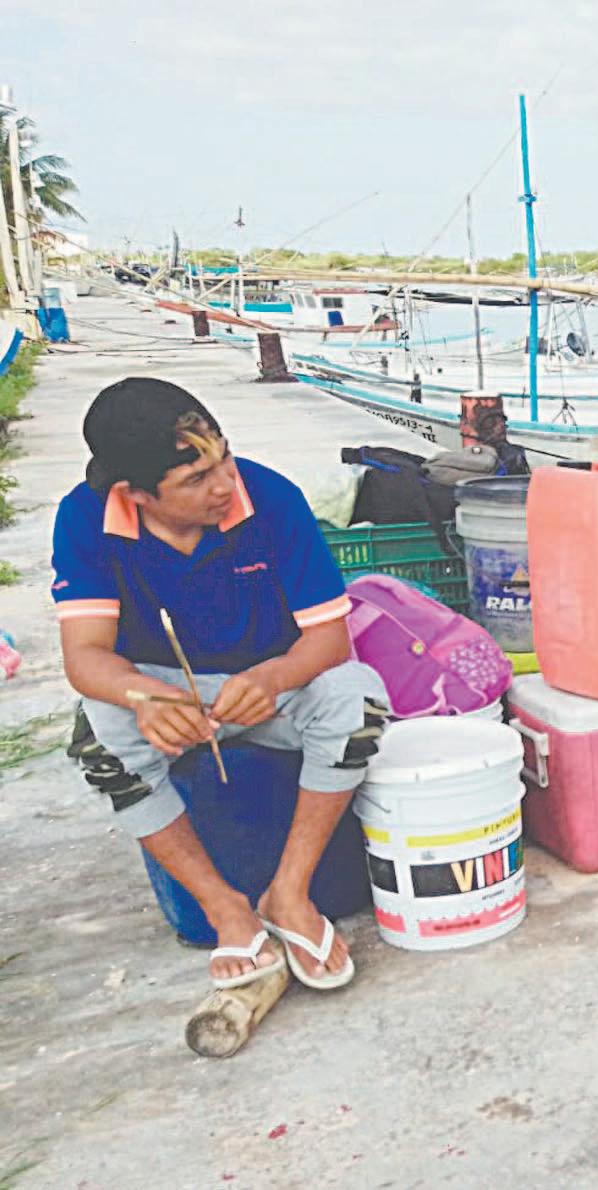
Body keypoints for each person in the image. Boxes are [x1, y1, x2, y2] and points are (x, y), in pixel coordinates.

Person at [54, 379, 389, 992]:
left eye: (224, 458)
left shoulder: (271, 498)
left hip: (273, 689)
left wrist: (275, 676)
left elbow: (328, 641)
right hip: (168, 696)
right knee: (97, 733)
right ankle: (223, 907)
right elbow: (85, 656)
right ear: (135, 495)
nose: (224, 484)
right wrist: (144, 696)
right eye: (195, 479)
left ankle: (289, 893)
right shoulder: (85, 518)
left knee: (356, 699)